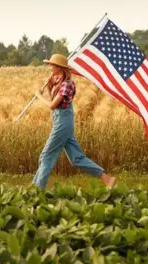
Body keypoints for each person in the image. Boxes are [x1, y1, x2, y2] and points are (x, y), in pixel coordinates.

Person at [32, 53, 117, 190]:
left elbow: (52, 105)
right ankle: (107, 180)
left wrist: (38, 96)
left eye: (51, 65)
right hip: (61, 121)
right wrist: (49, 87)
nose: (49, 67)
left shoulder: (68, 85)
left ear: (59, 67)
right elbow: (54, 103)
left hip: (62, 123)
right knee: (76, 158)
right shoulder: (59, 83)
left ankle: (36, 189)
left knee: (46, 155)